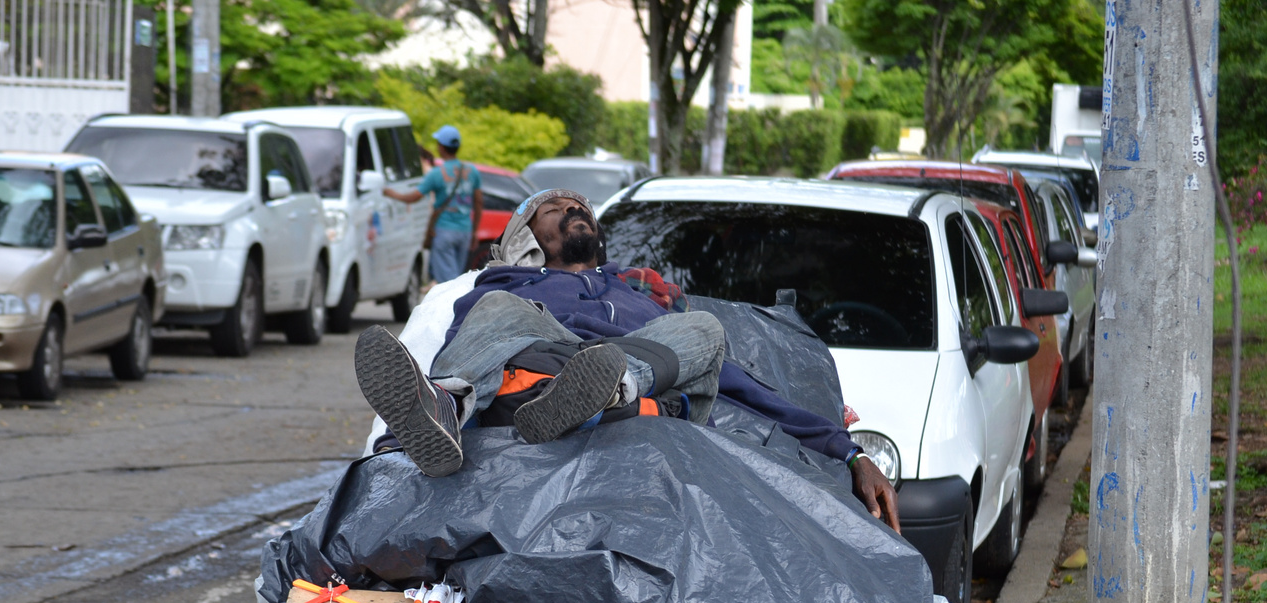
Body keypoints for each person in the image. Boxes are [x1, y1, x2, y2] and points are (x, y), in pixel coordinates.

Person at [353, 188, 902, 529]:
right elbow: (468, 343)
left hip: (632, 385)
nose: (571, 209)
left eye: (579, 207)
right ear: (526, 238)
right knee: (496, 310)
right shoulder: (504, 286)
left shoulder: (642, 299)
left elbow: (746, 388)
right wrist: (392, 453)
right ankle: (444, 409)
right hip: (533, 377)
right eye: (553, 209)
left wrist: (849, 454)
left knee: (704, 330)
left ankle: (608, 390)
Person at [384, 124, 481, 284]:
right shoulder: (472, 171)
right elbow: (478, 202)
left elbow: (415, 197)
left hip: (444, 231)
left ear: (441, 147)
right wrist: (475, 231)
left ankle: (453, 308)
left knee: (449, 282)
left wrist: (391, 194)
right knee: (458, 276)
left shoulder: (436, 174)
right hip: (465, 230)